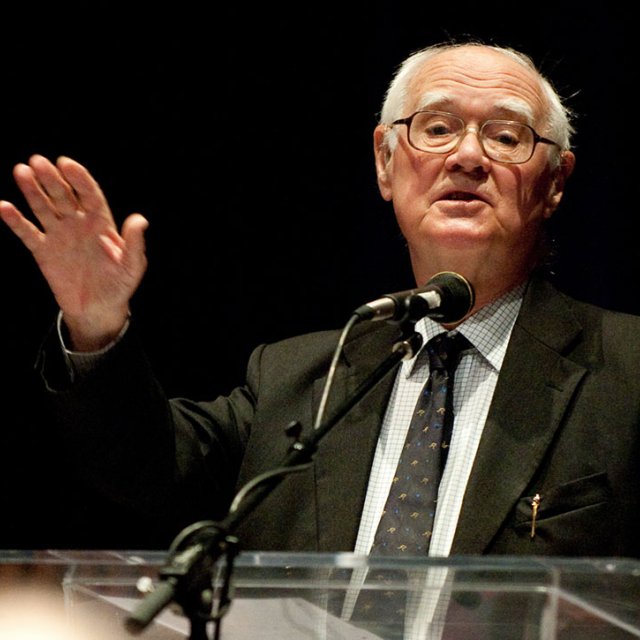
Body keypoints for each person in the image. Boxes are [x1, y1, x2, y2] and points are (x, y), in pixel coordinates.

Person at [1, 40, 639, 562]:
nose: (467, 156)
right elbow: (144, 467)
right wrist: (95, 324)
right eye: (437, 128)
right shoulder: (302, 378)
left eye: (505, 137)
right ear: (385, 164)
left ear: (555, 183)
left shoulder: (629, 372)